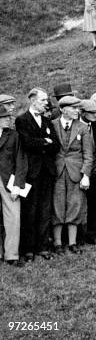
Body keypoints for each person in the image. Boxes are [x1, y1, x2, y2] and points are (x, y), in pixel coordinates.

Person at [15, 88, 60, 262]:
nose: (46, 103)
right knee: (30, 210)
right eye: (42, 101)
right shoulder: (22, 120)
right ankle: (28, 249)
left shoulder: (47, 121)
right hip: (31, 172)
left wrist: (43, 143)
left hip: (47, 171)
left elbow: (56, 145)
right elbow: (26, 143)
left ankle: (42, 247)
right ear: (33, 101)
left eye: (46, 101)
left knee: (44, 210)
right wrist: (44, 142)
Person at [50, 96, 94, 254]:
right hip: (57, 172)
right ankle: (57, 243)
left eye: (78, 108)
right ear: (62, 109)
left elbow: (88, 154)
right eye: (74, 108)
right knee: (57, 205)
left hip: (76, 172)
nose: (77, 111)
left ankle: (72, 243)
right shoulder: (52, 125)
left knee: (75, 205)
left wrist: (86, 175)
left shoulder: (82, 127)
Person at [0, 105, 28, 266]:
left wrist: (18, 185)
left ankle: (12, 255)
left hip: (8, 181)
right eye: (4, 118)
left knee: (13, 217)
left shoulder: (14, 136)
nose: (8, 120)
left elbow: (21, 161)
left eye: (8, 117)